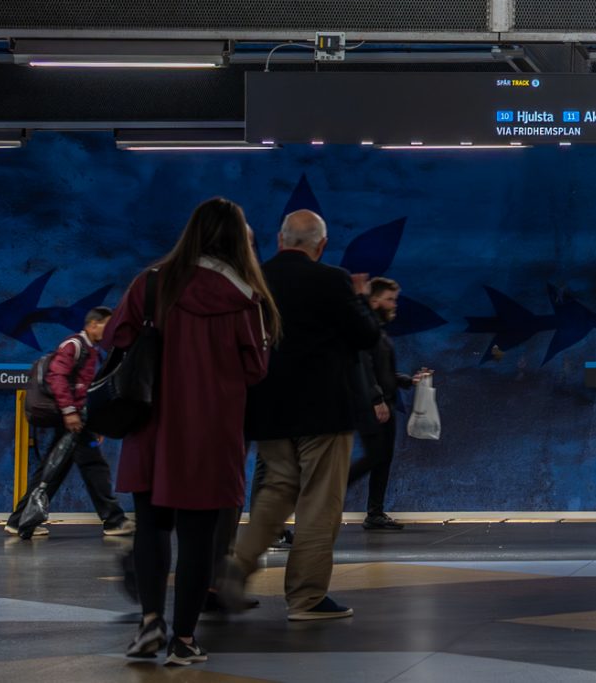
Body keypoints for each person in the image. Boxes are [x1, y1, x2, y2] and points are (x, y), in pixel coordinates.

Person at [105, 197, 276, 666]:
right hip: (211, 430)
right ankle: (183, 640)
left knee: (151, 527)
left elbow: (116, 336)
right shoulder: (245, 297)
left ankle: (149, 622)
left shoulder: (151, 282)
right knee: (199, 538)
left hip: (151, 425)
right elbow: (255, 368)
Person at [222, 209, 383, 623]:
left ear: (280, 240)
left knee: (275, 491)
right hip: (325, 410)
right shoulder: (333, 280)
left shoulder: (255, 280)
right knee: (319, 501)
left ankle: (235, 569)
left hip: (268, 407)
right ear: (321, 245)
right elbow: (365, 336)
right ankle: (306, 597)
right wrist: (361, 299)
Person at [8, 307, 128, 538]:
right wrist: (70, 411)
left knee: (51, 470)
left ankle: (19, 520)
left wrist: (93, 423)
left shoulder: (92, 352)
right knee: (93, 466)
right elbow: (57, 377)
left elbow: (86, 391)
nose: (110, 330)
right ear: (93, 325)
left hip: (77, 420)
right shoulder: (74, 345)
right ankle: (114, 520)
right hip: (72, 420)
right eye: (107, 325)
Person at [346, 277, 431, 532]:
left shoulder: (378, 334)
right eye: (390, 299)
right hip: (373, 406)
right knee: (376, 456)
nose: (395, 304)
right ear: (374, 301)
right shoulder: (366, 334)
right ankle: (333, 495)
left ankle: (375, 513)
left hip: (385, 403)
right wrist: (376, 399)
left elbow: (383, 372)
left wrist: (409, 380)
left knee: (382, 458)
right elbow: (364, 369)